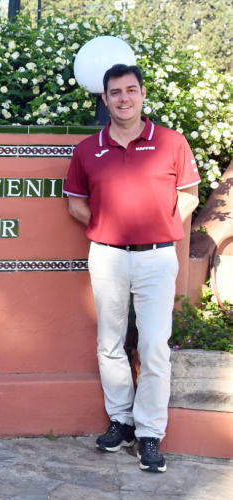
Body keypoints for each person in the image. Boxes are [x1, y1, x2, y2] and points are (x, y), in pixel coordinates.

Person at [64, 63, 200, 473]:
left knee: (154, 346)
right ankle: (121, 421)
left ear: (142, 95)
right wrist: (108, 228)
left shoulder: (172, 143)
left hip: (158, 256)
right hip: (107, 255)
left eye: (130, 90)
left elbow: (188, 196)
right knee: (110, 342)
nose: (124, 98)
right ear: (104, 99)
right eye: (115, 92)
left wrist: (164, 228)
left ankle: (149, 433)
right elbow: (75, 202)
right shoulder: (89, 148)